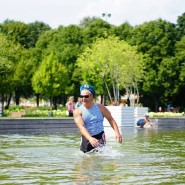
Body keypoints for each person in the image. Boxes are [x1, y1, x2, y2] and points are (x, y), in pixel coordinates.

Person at [74, 84, 122, 153]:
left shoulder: (100, 108)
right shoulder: (78, 111)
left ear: (92, 96)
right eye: (82, 96)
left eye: (86, 96)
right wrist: (90, 138)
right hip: (86, 137)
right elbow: (81, 127)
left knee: (100, 159)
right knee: (85, 160)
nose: (83, 99)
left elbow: (110, 119)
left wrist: (117, 132)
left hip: (100, 136)